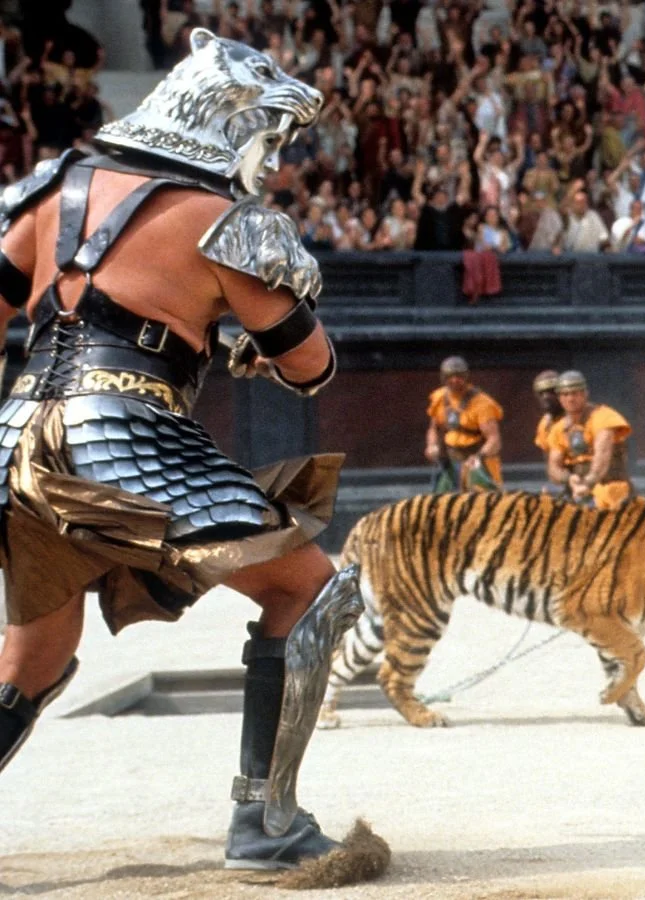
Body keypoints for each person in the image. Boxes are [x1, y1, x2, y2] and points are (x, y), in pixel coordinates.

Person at [0, 30, 385, 880]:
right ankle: (268, 824)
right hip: (124, 433)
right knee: (311, 588)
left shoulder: (42, 192)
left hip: (17, 440)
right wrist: (249, 339)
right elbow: (309, 366)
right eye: (268, 138)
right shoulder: (225, 222)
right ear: (232, 124)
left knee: (32, 662)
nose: (269, 159)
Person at [545, 370, 633, 509]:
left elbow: (602, 457)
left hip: (609, 489)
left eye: (575, 393)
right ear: (560, 398)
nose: (570, 399)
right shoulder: (558, 429)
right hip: (576, 492)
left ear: (585, 393)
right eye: (565, 394)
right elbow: (553, 467)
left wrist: (588, 483)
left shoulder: (603, 417)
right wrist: (569, 479)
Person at [425, 356, 504, 490]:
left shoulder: (482, 403)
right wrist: (432, 446)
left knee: (484, 502)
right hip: (450, 460)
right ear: (443, 377)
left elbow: (494, 440)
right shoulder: (439, 398)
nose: (455, 380)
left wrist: (479, 456)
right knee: (439, 502)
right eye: (450, 376)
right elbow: (434, 428)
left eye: (459, 376)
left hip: (477, 462)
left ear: (466, 377)